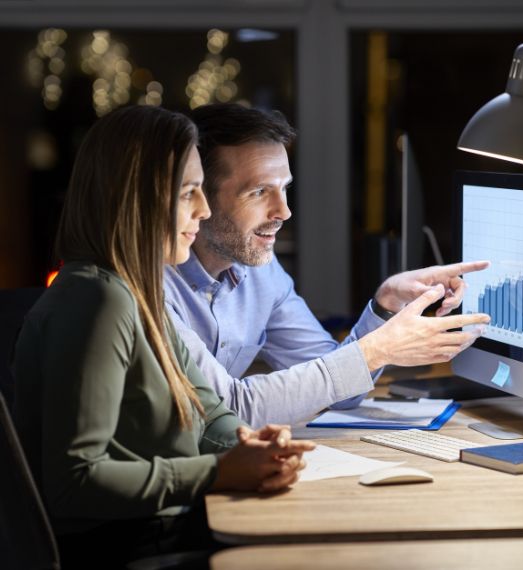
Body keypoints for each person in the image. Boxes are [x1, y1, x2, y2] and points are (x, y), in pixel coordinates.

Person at [12, 105, 315, 568]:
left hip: (161, 531)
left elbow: (209, 411)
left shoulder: (139, 289)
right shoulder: (98, 299)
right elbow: (73, 483)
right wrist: (217, 472)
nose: (206, 210)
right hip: (124, 548)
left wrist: (249, 446)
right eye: (189, 193)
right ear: (137, 198)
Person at [163, 103, 491, 427]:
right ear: (197, 195)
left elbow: (337, 392)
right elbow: (227, 411)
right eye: (260, 192)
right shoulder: (149, 282)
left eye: (284, 189)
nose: (283, 212)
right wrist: (376, 350)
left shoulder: (261, 271)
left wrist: (385, 304)